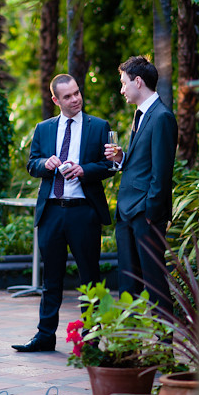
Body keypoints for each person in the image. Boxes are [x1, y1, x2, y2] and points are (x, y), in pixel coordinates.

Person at [12, 74, 116, 353]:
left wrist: (85, 170)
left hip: (84, 212)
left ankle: (92, 339)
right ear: (56, 100)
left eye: (77, 93)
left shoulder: (99, 126)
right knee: (51, 280)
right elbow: (32, 164)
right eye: (68, 96)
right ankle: (45, 336)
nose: (75, 99)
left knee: (90, 279)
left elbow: (109, 166)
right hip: (52, 213)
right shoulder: (44, 129)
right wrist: (46, 163)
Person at [104, 56, 178, 314]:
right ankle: (129, 341)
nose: (122, 89)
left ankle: (163, 343)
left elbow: (161, 172)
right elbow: (142, 163)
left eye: (124, 83)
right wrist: (122, 158)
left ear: (138, 81)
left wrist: (150, 214)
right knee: (128, 282)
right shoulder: (141, 114)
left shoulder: (162, 117)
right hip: (126, 213)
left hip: (145, 215)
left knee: (154, 281)